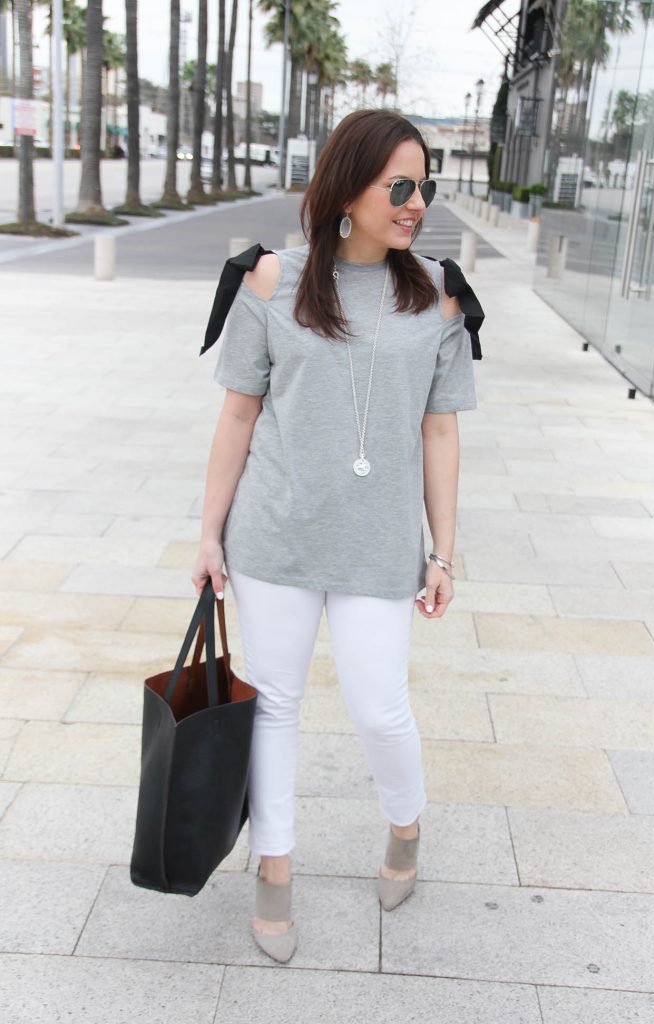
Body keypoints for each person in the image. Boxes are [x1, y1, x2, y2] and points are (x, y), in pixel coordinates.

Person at [191, 108, 478, 964]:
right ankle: (272, 868)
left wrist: (441, 551)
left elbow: (440, 432)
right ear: (346, 188)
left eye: (425, 185)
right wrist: (208, 534)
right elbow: (238, 414)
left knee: (377, 705)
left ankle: (404, 826)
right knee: (273, 707)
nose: (416, 201)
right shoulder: (271, 283)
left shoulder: (440, 296)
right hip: (273, 536)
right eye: (399, 185)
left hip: (378, 544)